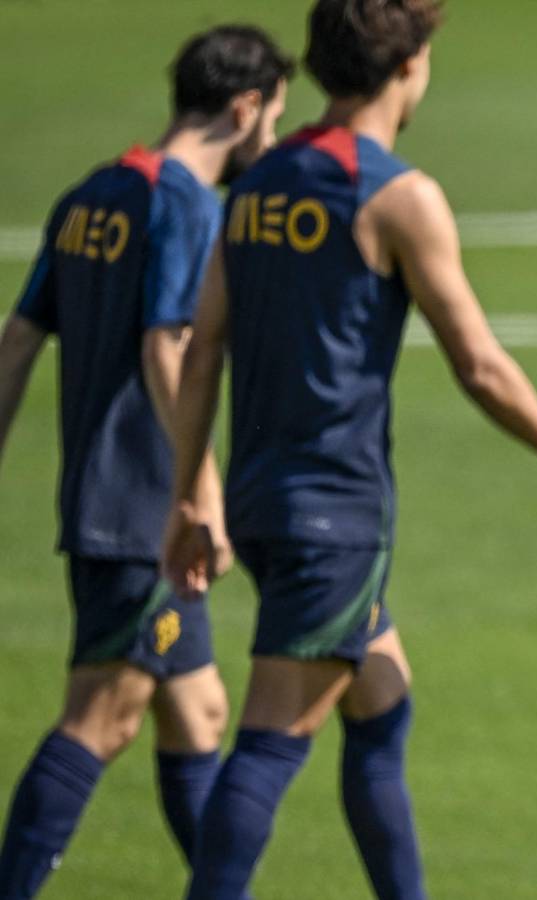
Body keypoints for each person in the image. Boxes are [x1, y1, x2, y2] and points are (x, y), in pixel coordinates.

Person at [163, 2, 537, 897]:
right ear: (409, 66)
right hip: (331, 513)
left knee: (381, 698)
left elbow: (203, 351)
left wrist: (191, 498)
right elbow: (481, 368)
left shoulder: (258, 183)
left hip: (265, 501)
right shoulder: (396, 195)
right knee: (271, 741)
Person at [0, 26, 292, 898]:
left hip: (105, 499)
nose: (271, 139)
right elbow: (169, 348)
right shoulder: (186, 205)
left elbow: (17, 344)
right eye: (273, 118)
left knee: (197, 714)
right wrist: (201, 497)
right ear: (244, 109)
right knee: (101, 718)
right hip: (142, 514)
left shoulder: (91, 196)